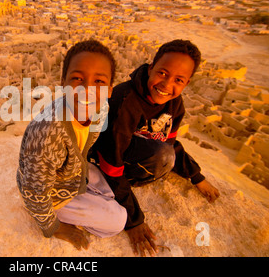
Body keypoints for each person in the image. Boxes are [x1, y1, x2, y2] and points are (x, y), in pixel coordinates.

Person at [89, 39, 220, 256]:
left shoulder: (175, 105)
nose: (167, 85)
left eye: (179, 79)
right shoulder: (125, 101)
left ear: (186, 83)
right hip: (105, 159)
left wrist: (196, 176)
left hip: (134, 158)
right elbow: (111, 160)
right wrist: (134, 220)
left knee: (165, 154)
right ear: (151, 69)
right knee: (161, 155)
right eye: (163, 73)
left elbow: (170, 143)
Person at [16, 39, 127, 250]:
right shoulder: (49, 133)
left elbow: (82, 148)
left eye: (99, 82)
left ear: (110, 91)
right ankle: (60, 214)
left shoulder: (99, 110)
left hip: (70, 173)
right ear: (63, 83)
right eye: (78, 78)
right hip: (49, 194)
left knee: (111, 193)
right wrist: (53, 226)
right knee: (117, 220)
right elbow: (34, 192)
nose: (87, 89)